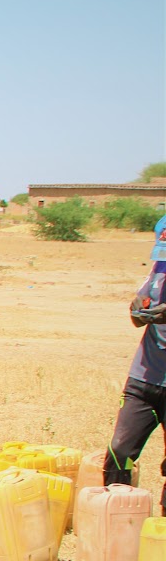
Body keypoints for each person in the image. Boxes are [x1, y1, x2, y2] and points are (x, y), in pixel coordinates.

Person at [102, 213, 166, 506]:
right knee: (120, 451)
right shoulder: (158, 270)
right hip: (143, 378)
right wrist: (137, 310)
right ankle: (115, 518)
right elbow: (138, 312)